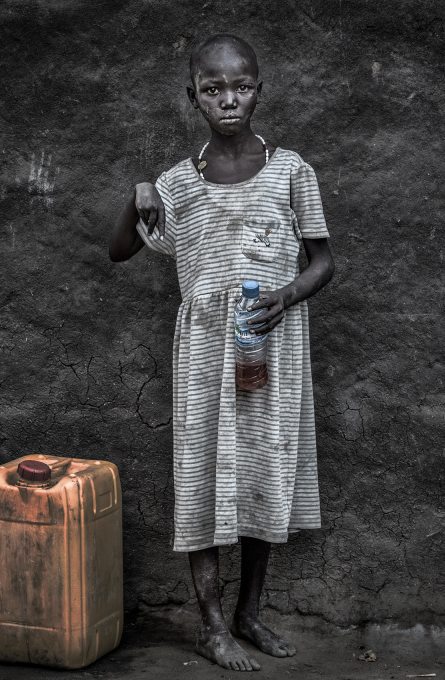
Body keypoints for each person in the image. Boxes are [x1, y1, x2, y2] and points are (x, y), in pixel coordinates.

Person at [108, 34, 335, 672]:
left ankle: (249, 614)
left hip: (266, 352)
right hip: (207, 356)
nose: (227, 100)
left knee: (263, 472)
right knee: (202, 477)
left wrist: (287, 294)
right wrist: (138, 194)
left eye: (239, 87)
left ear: (259, 90)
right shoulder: (179, 184)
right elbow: (119, 251)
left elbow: (323, 262)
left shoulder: (293, 172)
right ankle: (211, 627)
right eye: (213, 89)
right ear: (194, 98)